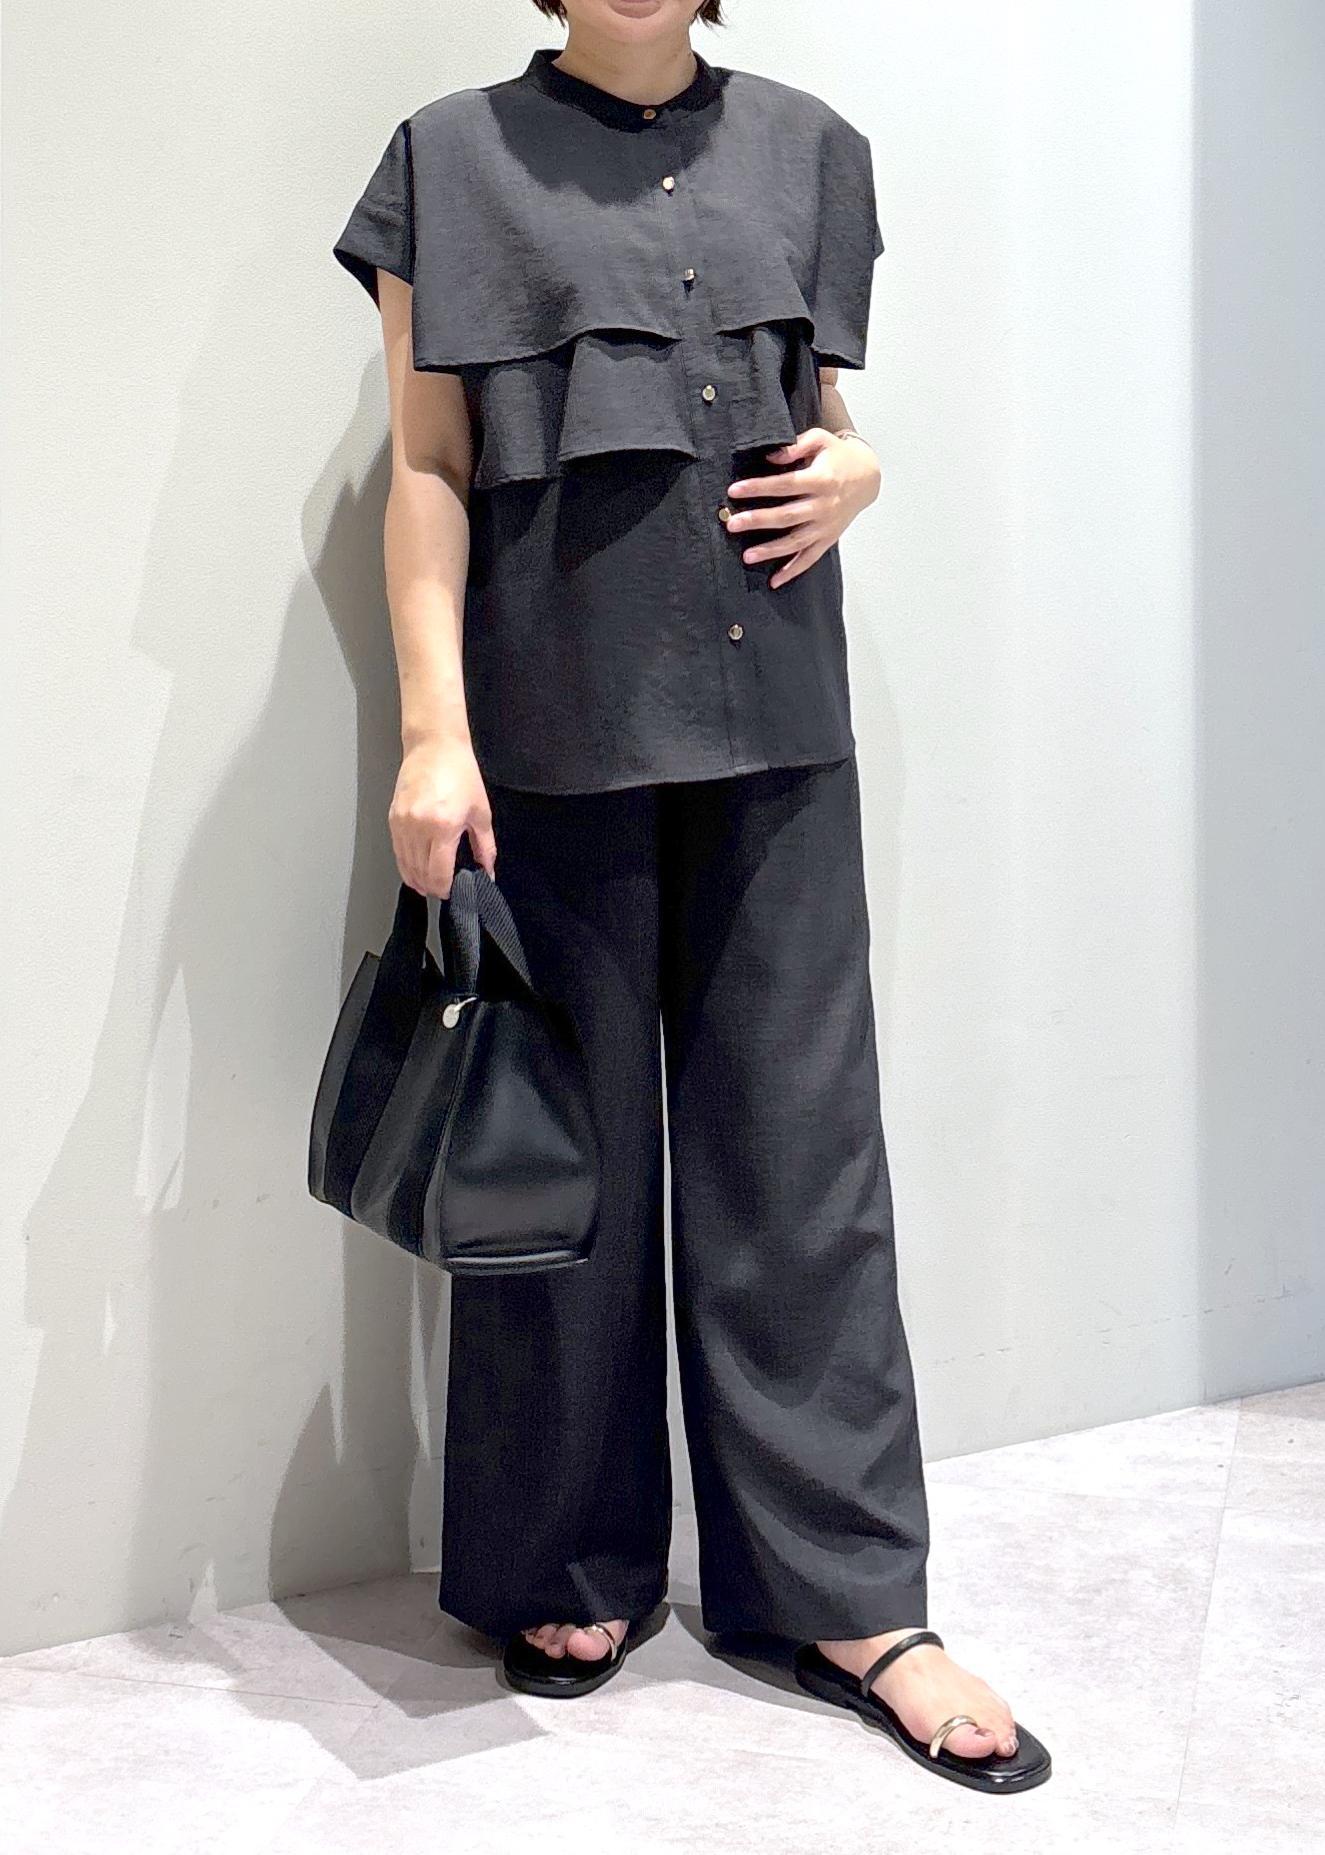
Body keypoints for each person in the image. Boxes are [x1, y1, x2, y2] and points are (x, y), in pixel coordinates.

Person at [331, 0, 1051, 1797]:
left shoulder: (811, 149)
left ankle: (849, 1600)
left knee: (803, 1170)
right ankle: (562, 1565)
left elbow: (820, 417)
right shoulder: (447, 156)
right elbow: (425, 466)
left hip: (775, 734)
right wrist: (432, 733)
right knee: (554, 1178)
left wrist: (861, 461)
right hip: (547, 737)